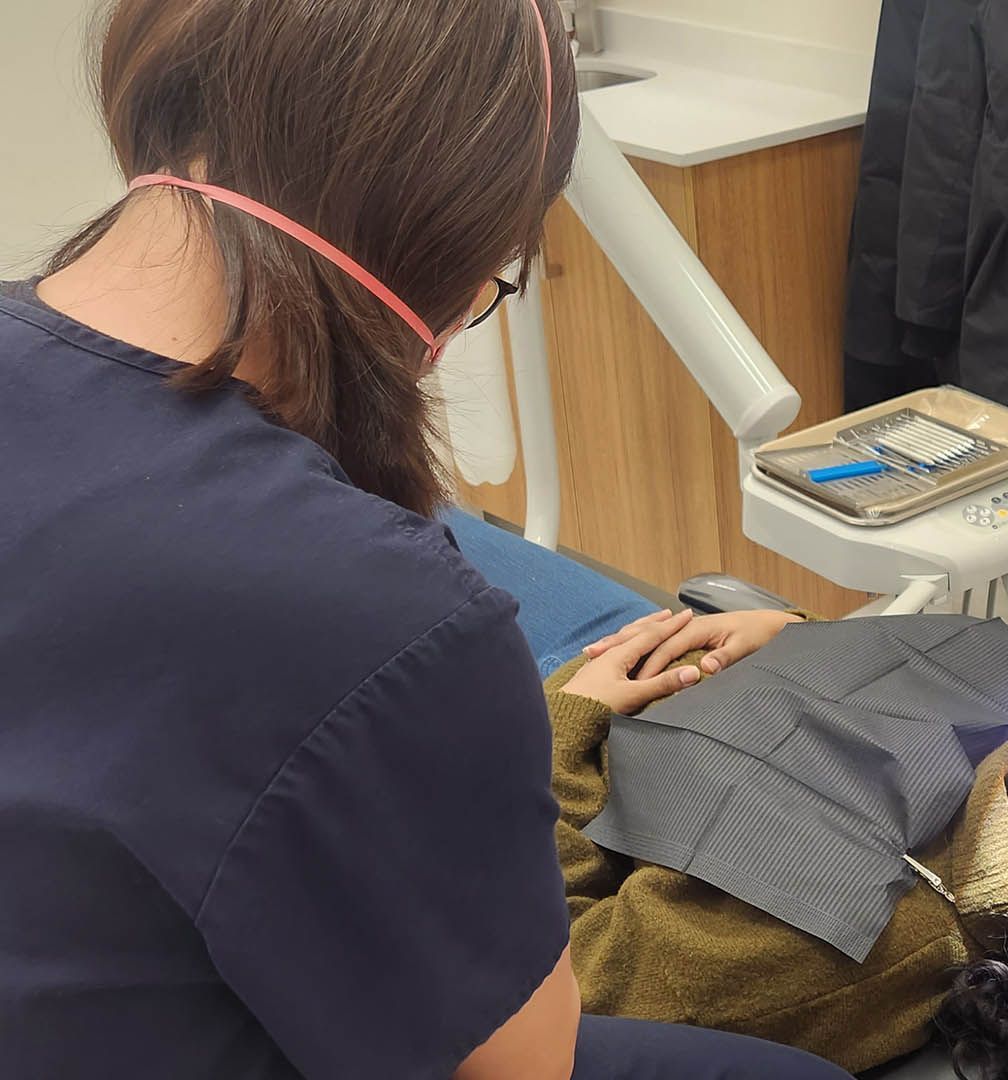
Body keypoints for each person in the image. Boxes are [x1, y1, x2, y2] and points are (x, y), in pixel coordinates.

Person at [0, 2, 845, 1077]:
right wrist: (506, 733)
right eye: (496, 284)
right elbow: (521, 1065)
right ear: (445, 246)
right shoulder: (381, 616)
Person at [432, 523, 1008, 1079]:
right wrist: (797, 640)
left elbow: (555, 973)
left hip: (511, 752)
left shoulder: (833, 939)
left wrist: (560, 725)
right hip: (668, 672)